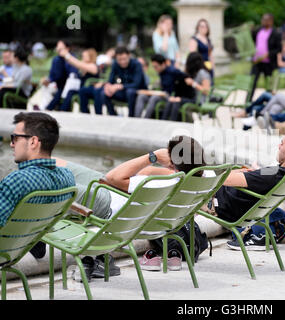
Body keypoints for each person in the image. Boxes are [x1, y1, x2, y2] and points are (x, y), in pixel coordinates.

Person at [54, 135, 207, 274]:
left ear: (172, 163)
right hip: (114, 195)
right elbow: (127, 177)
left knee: (55, 181)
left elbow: (112, 176)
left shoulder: (156, 184)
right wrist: (172, 168)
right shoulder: (196, 181)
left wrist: (152, 156)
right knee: (58, 164)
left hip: (108, 204)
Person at [0, 112, 76, 259]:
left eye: (15, 138)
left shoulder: (17, 181)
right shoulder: (67, 178)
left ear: (33, 142)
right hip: (25, 245)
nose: (11, 144)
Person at [161, 52, 211, 122]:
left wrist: (193, 84)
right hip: (189, 97)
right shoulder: (192, 72)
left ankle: (171, 123)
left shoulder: (202, 73)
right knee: (171, 100)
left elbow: (207, 91)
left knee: (176, 102)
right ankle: (163, 122)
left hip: (199, 101)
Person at [100, 46, 147, 117]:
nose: (122, 62)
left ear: (129, 56)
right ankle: (113, 115)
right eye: (119, 60)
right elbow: (111, 80)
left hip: (137, 92)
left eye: (124, 59)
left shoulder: (137, 64)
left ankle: (131, 117)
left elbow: (137, 84)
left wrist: (120, 86)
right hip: (123, 91)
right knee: (104, 93)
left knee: (130, 92)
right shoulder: (115, 64)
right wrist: (108, 87)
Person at [134, 54, 184, 118]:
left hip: (169, 96)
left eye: (156, 67)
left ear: (163, 64)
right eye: (153, 67)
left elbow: (185, 77)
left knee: (154, 98)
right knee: (141, 96)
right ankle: (136, 118)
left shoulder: (173, 71)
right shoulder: (161, 73)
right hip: (161, 94)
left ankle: (146, 119)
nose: (155, 69)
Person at [249, 13, 282, 101]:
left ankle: (268, 101)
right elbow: (252, 41)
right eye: (263, 19)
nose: (263, 21)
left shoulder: (275, 33)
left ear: (271, 21)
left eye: (266, 20)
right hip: (257, 61)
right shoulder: (258, 30)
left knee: (268, 85)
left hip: (268, 63)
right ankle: (248, 101)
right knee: (252, 82)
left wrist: (268, 54)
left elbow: (279, 49)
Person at [56, 47, 100, 112]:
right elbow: (76, 64)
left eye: (84, 56)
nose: (82, 58)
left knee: (82, 91)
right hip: (82, 88)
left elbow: (78, 64)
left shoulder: (93, 66)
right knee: (70, 91)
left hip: (91, 89)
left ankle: (85, 112)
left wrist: (67, 55)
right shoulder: (84, 66)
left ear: (90, 57)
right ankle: (63, 110)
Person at [43, 40, 79, 111]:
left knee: (61, 89)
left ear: (67, 49)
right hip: (57, 84)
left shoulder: (72, 58)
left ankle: (49, 108)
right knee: (46, 87)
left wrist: (66, 57)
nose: (58, 50)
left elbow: (73, 74)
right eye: (57, 48)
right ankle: (46, 107)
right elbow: (52, 75)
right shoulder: (56, 59)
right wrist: (48, 80)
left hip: (68, 85)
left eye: (60, 48)